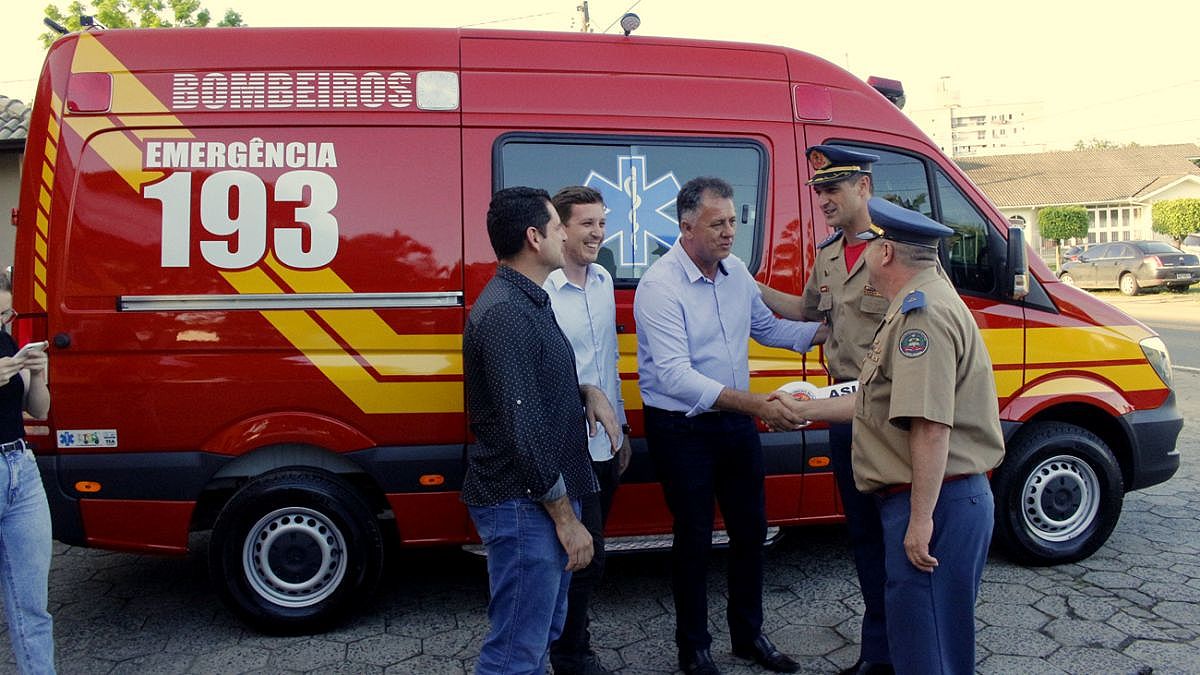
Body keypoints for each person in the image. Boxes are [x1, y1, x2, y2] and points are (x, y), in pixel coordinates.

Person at [770, 197, 1005, 675]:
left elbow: (930, 424)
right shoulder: (913, 306)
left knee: (928, 651)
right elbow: (875, 400)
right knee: (921, 638)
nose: (868, 252)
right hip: (931, 496)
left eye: (875, 243)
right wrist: (810, 408)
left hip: (936, 500)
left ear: (887, 255)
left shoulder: (923, 317)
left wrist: (920, 522)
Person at [634, 176, 827, 675]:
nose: (728, 232)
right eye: (716, 223)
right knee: (694, 538)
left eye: (733, 221)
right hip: (683, 429)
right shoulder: (659, 285)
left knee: (751, 532)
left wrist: (834, 331)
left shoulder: (735, 271)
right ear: (686, 226)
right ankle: (693, 649)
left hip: (736, 423)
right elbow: (675, 376)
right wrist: (758, 406)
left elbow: (768, 328)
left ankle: (748, 637)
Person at [462, 186, 620, 675]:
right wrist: (566, 521)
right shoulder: (508, 312)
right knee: (515, 649)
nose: (564, 236)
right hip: (522, 503)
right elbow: (522, 425)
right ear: (534, 237)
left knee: (542, 633)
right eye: (557, 227)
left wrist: (586, 391)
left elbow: (536, 386)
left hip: (536, 499)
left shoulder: (527, 299)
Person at [757, 145, 894, 675]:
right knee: (862, 537)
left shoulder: (899, 250)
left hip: (888, 411)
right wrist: (750, 285)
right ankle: (876, 653)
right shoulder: (831, 254)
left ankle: (909, 647)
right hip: (843, 410)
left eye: (833, 188)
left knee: (899, 536)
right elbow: (805, 310)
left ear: (863, 186)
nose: (822, 200)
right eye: (818, 190)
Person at [543, 186, 630, 675]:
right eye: (586, 224)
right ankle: (570, 653)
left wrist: (623, 428)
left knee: (587, 552)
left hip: (606, 441)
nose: (598, 232)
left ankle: (566, 642)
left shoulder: (601, 280)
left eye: (602, 222)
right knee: (584, 554)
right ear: (561, 228)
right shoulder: (545, 291)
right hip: (567, 445)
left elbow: (609, 363)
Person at [0, 274, 55, 675]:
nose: (3, 321)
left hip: (21, 468)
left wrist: (38, 373)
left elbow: (39, 410)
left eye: (6, 314)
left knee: (31, 604)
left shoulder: (6, 342)